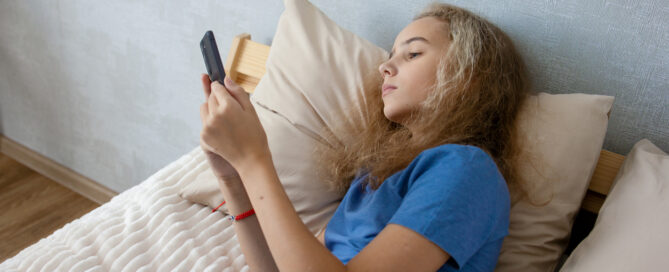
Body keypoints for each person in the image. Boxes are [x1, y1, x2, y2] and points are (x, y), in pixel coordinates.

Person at [198, 3, 531, 271]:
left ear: (468, 77)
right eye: (390, 56)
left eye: (412, 54)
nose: (385, 68)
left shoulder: (466, 170)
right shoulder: (377, 171)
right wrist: (233, 180)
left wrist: (255, 159)